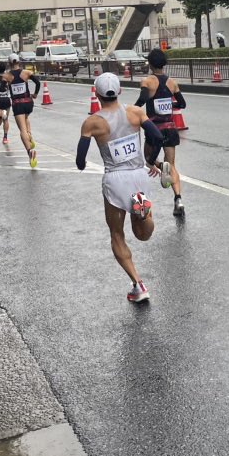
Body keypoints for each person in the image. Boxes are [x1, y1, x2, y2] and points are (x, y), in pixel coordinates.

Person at [77, 72, 165, 303]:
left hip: (115, 181)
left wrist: (83, 160)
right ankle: (142, 216)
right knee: (143, 232)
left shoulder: (92, 122)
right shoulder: (135, 113)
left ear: (96, 94)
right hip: (138, 178)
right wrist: (151, 159)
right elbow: (157, 136)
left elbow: (79, 161)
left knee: (117, 234)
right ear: (120, 91)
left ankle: (138, 284)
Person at [135, 48, 187, 217]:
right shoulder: (172, 82)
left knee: (148, 159)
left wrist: (133, 111)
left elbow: (142, 100)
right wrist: (170, 107)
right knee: (172, 164)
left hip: (154, 128)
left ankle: (159, 166)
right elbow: (182, 103)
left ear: (150, 64)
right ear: (164, 63)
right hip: (171, 128)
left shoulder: (147, 81)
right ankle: (178, 199)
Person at [7, 54, 40, 168]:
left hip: (18, 104)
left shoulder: (8, 76)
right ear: (19, 62)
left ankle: (30, 152)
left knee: (22, 130)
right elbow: (38, 82)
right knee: (26, 119)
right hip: (28, 102)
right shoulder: (26, 73)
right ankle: (29, 136)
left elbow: (1, 88)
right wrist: (35, 94)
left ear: (9, 63)